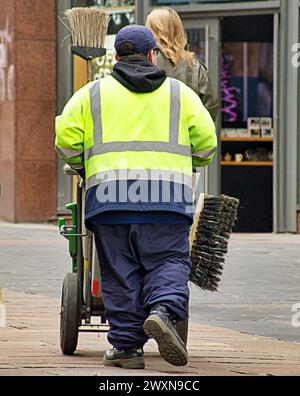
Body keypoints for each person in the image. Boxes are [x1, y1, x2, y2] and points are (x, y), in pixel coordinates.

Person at [56, 25, 217, 369]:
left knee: (120, 272)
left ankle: (127, 348)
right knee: (169, 261)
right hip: (167, 198)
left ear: (116, 57)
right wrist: (194, 163)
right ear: (152, 56)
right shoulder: (179, 94)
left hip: (110, 200)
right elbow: (206, 141)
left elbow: (65, 136)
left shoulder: (92, 94)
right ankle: (161, 310)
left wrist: (80, 165)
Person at [146, 7, 219, 123]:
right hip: (185, 139)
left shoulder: (144, 63)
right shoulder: (195, 67)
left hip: (147, 138)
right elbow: (209, 112)